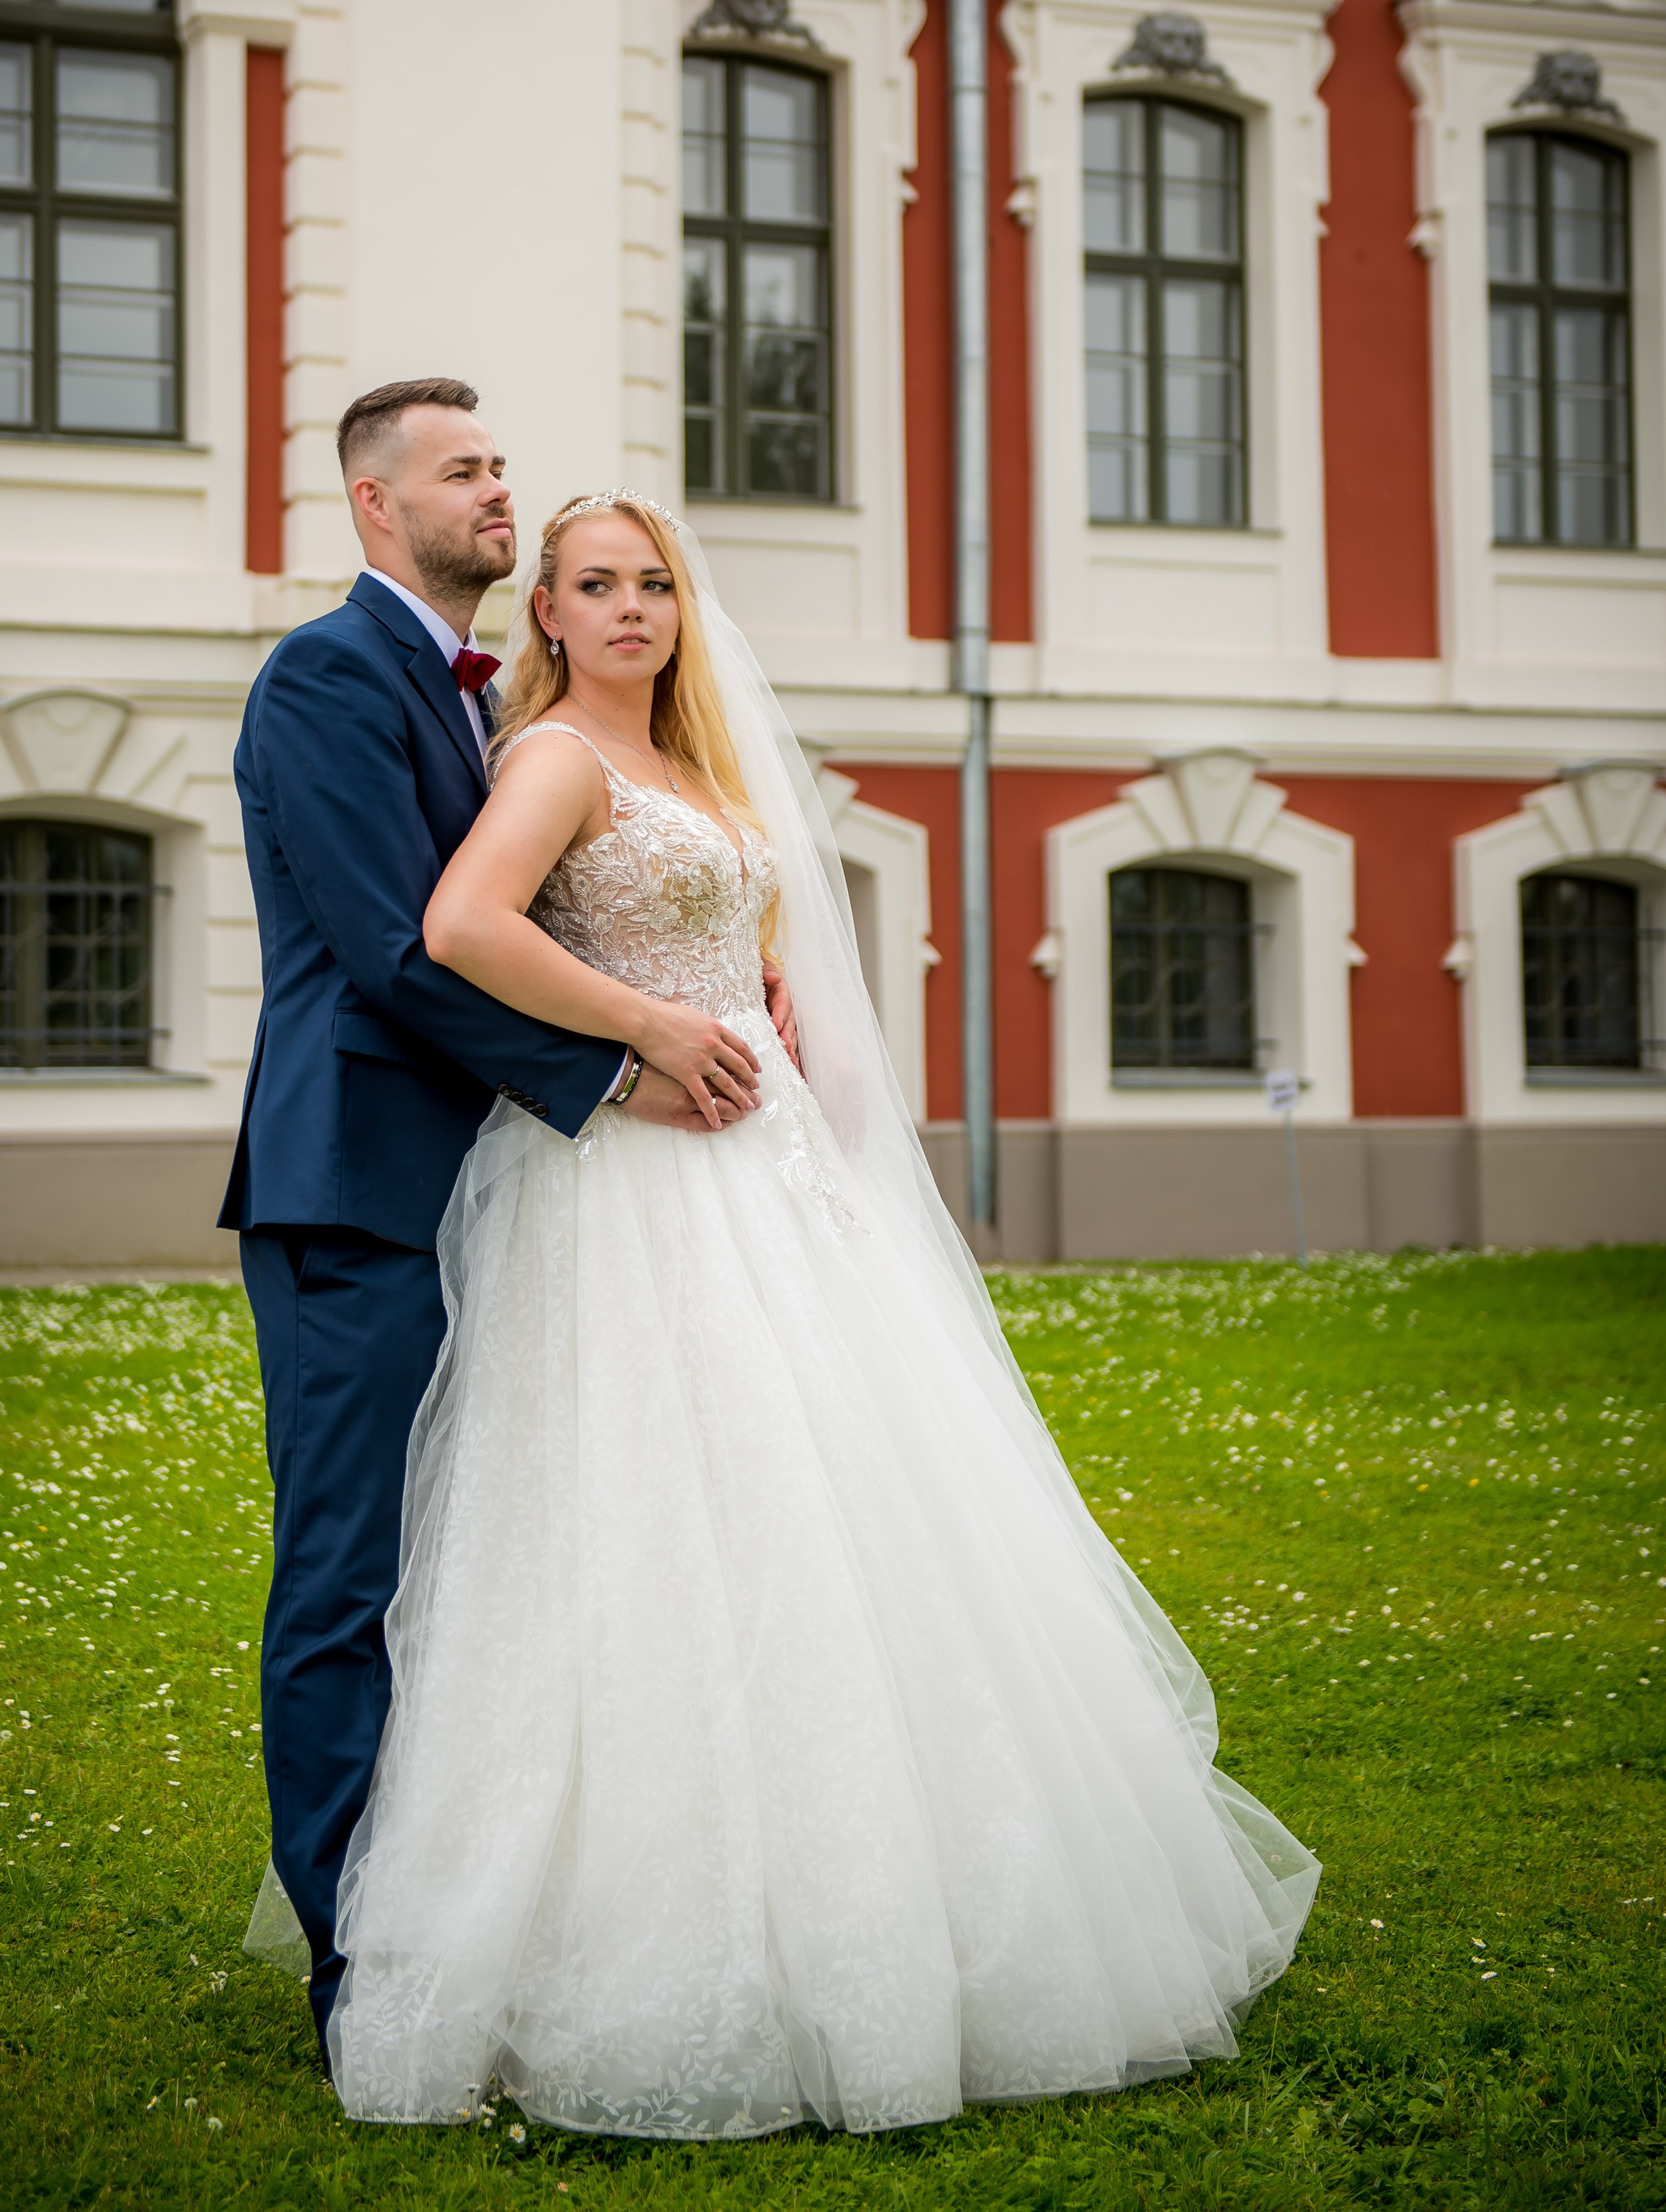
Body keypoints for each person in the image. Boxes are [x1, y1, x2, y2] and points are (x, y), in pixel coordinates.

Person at [323, 488, 1321, 2138]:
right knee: (662, 1526)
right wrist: (649, 1020)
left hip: (762, 1158)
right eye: (592, 586)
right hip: (630, 1195)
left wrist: (748, 983)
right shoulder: (556, 759)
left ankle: (904, 1901)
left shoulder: (693, 770)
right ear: (549, 619)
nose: (631, 609)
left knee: (840, 1508)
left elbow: (721, 920)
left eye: (654, 583)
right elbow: (462, 926)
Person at [222, 381, 794, 2064]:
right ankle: (359, 1971)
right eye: (463, 470)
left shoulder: (473, 700)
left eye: (497, 467)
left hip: (498, 1190)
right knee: (349, 1573)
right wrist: (618, 1064)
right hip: (357, 1187)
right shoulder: (330, 676)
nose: (495, 489)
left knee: (498, 1566)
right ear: (369, 505)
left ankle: (492, 1900)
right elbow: (406, 947)